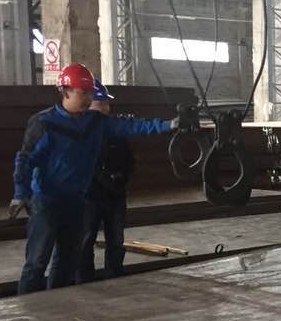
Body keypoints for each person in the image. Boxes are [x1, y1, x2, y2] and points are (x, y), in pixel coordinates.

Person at [10, 63, 178, 294]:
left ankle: (56, 304)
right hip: (46, 202)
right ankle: (27, 305)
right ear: (66, 91)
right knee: (37, 262)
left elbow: (131, 125)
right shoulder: (44, 123)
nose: (89, 99)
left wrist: (169, 124)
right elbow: (26, 159)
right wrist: (20, 193)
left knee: (66, 260)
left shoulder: (94, 122)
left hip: (76, 202)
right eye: (83, 93)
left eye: (90, 93)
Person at [77, 79, 134, 283]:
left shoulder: (115, 130)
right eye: (100, 103)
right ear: (88, 104)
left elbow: (129, 160)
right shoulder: (80, 131)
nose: (105, 107)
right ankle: (84, 280)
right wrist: (102, 179)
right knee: (85, 240)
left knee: (116, 240)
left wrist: (120, 180)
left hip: (115, 195)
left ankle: (115, 276)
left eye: (106, 103)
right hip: (90, 196)